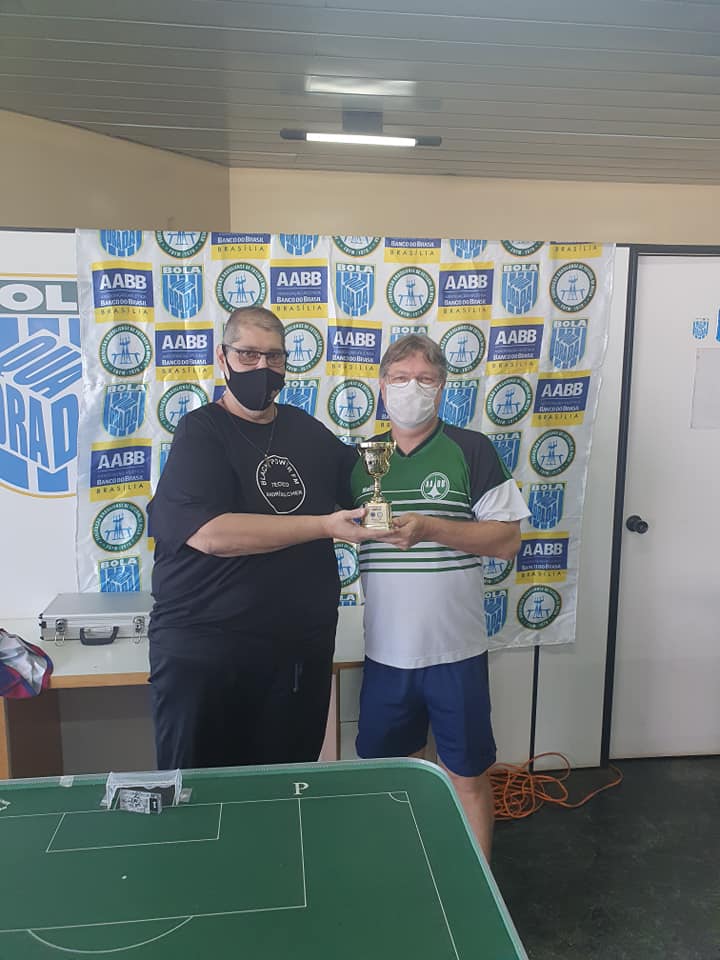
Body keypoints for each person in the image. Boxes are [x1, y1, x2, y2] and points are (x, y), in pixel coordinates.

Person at [148, 306, 372, 771]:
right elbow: (211, 534)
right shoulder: (201, 432)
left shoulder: (306, 431)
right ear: (222, 357)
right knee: (202, 793)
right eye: (248, 354)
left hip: (296, 657)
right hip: (209, 653)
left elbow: (368, 487)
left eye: (274, 357)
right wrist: (323, 526)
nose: (262, 368)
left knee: (285, 790)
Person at [350, 334, 529, 861]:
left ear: (443, 387)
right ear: (382, 387)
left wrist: (431, 527)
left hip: (457, 653)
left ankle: (478, 891)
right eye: (400, 378)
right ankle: (400, 876)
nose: (412, 389)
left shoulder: (471, 450)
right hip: (386, 654)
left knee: (467, 777)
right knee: (393, 777)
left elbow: (507, 540)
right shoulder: (359, 461)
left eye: (425, 379)